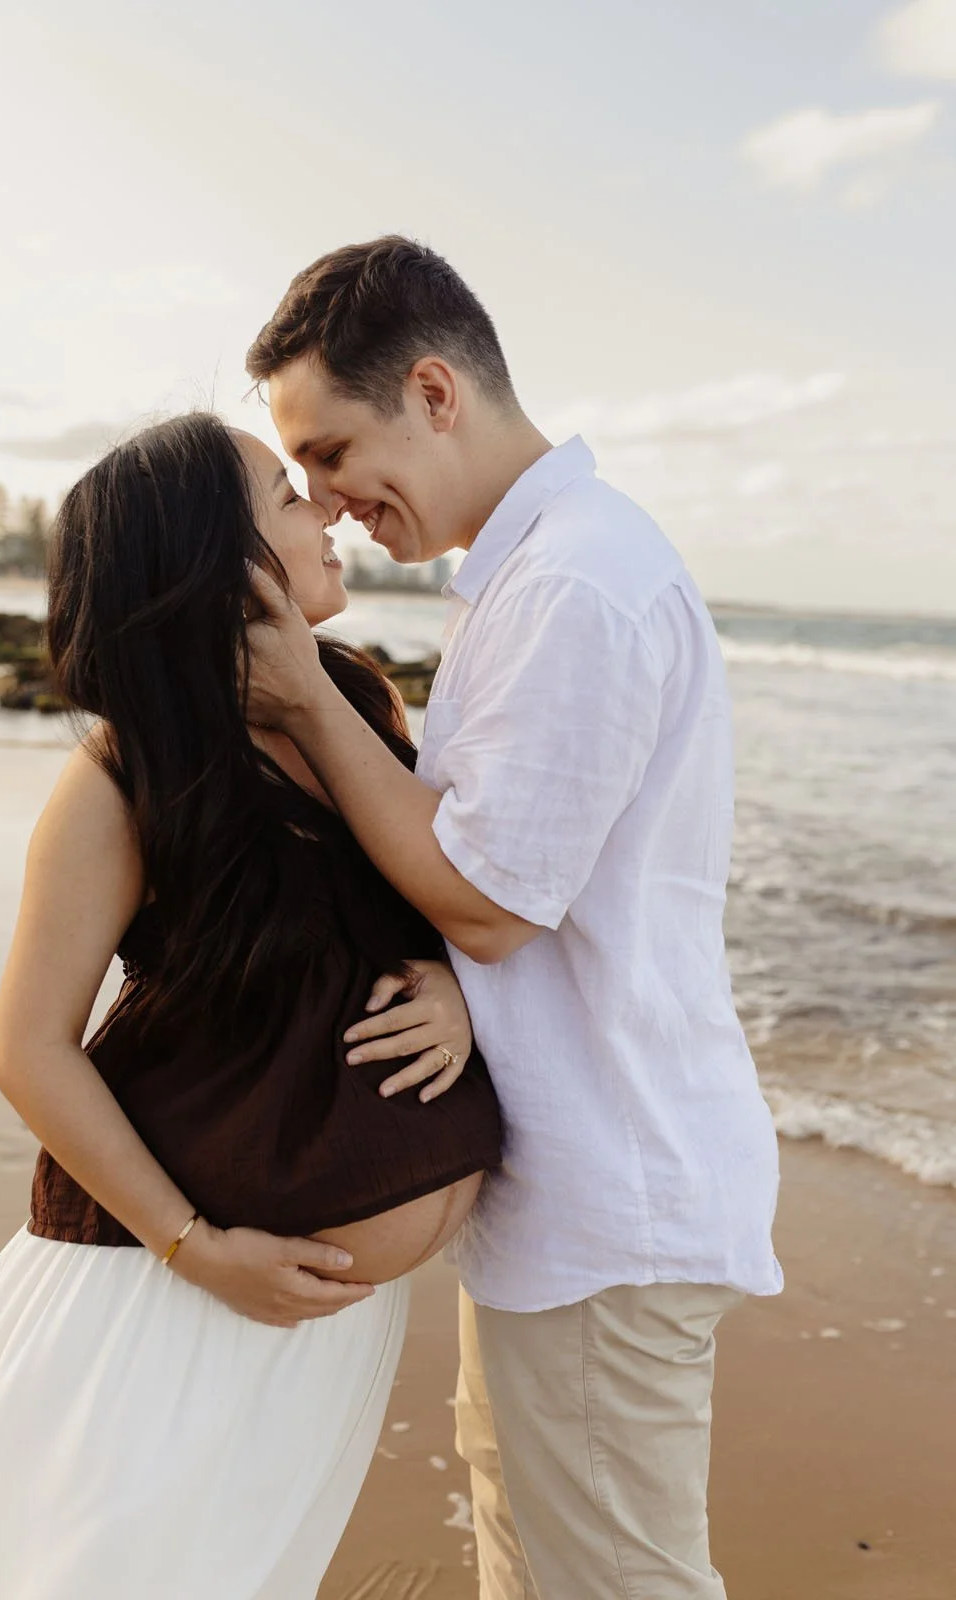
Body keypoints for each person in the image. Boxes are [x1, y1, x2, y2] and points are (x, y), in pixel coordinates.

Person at [243, 236, 784, 1599]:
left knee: (608, 1580)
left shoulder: (574, 587)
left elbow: (487, 900)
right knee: (531, 1555)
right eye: (297, 474)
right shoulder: (531, 571)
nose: (323, 501)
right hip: (572, 1191)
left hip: (614, 1193)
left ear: (432, 392)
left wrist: (308, 697)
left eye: (327, 453)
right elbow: (501, 881)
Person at [0, 413, 503, 1599]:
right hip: (159, 1302)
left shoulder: (357, 709)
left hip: (314, 1333)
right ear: (216, 565)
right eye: (285, 494)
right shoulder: (123, 775)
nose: (325, 508)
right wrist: (196, 1248)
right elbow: (27, 1048)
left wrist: (455, 989)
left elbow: (450, 903)